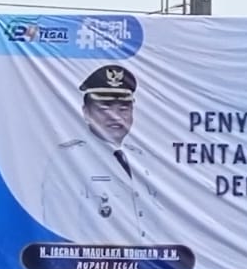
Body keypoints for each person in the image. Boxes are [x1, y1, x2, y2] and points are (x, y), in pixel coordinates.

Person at [41, 62, 164, 243]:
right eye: (104, 108)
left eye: (123, 108)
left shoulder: (143, 159)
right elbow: (59, 225)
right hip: (94, 266)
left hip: (146, 267)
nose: (115, 116)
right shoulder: (70, 159)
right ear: (86, 112)